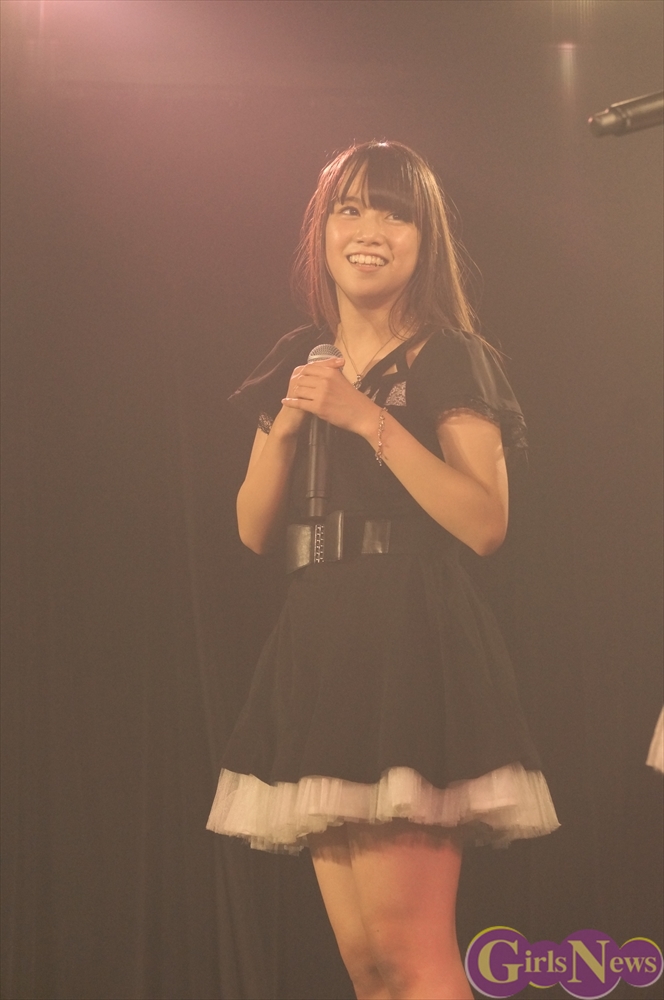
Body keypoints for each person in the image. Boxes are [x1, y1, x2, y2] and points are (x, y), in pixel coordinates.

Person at [207, 140, 559, 1000]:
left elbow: (484, 523)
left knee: (411, 953)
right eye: (352, 210)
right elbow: (252, 529)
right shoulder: (301, 355)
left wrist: (367, 420)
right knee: (368, 965)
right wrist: (290, 426)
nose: (370, 231)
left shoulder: (449, 355)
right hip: (319, 640)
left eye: (396, 214)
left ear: (423, 239)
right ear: (322, 231)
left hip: (408, 636)